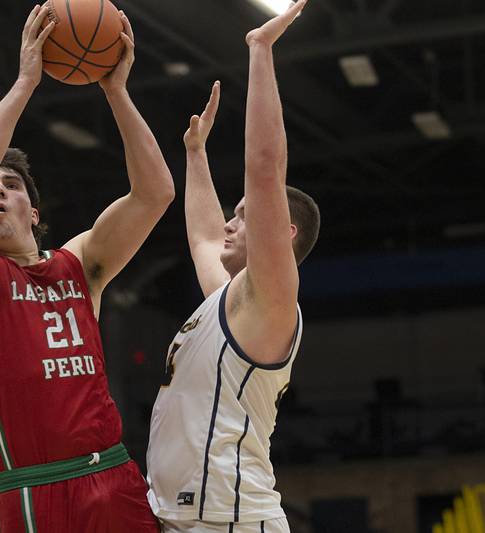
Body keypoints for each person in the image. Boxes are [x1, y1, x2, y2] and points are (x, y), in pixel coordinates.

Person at [0, 4, 173, 532]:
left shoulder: (79, 265)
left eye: (11, 185)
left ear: (33, 213)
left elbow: (156, 192)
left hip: (113, 474)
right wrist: (25, 83)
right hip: (33, 491)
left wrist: (116, 91)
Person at [146, 2, 320, 532]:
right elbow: (202, 236)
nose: (230, 222)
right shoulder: (228, 301)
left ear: (281, 235)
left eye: (243, 216)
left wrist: (260, 52)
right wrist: (195, 155)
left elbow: (265, 169)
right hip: (185, 518)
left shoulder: (271, 296)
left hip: (232, 521)